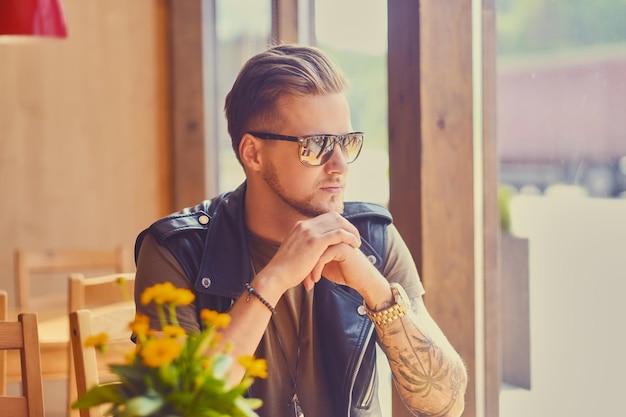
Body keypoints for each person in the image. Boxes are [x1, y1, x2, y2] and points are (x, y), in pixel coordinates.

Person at [134, 43, 467, 417]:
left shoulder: (372, 239)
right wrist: (272, 280)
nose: (340, 164)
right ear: (253, 153)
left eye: (345, 142)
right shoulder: (175, 251)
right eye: (318, 145)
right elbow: (175, 410)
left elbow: (445, 402)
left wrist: (375, 290)